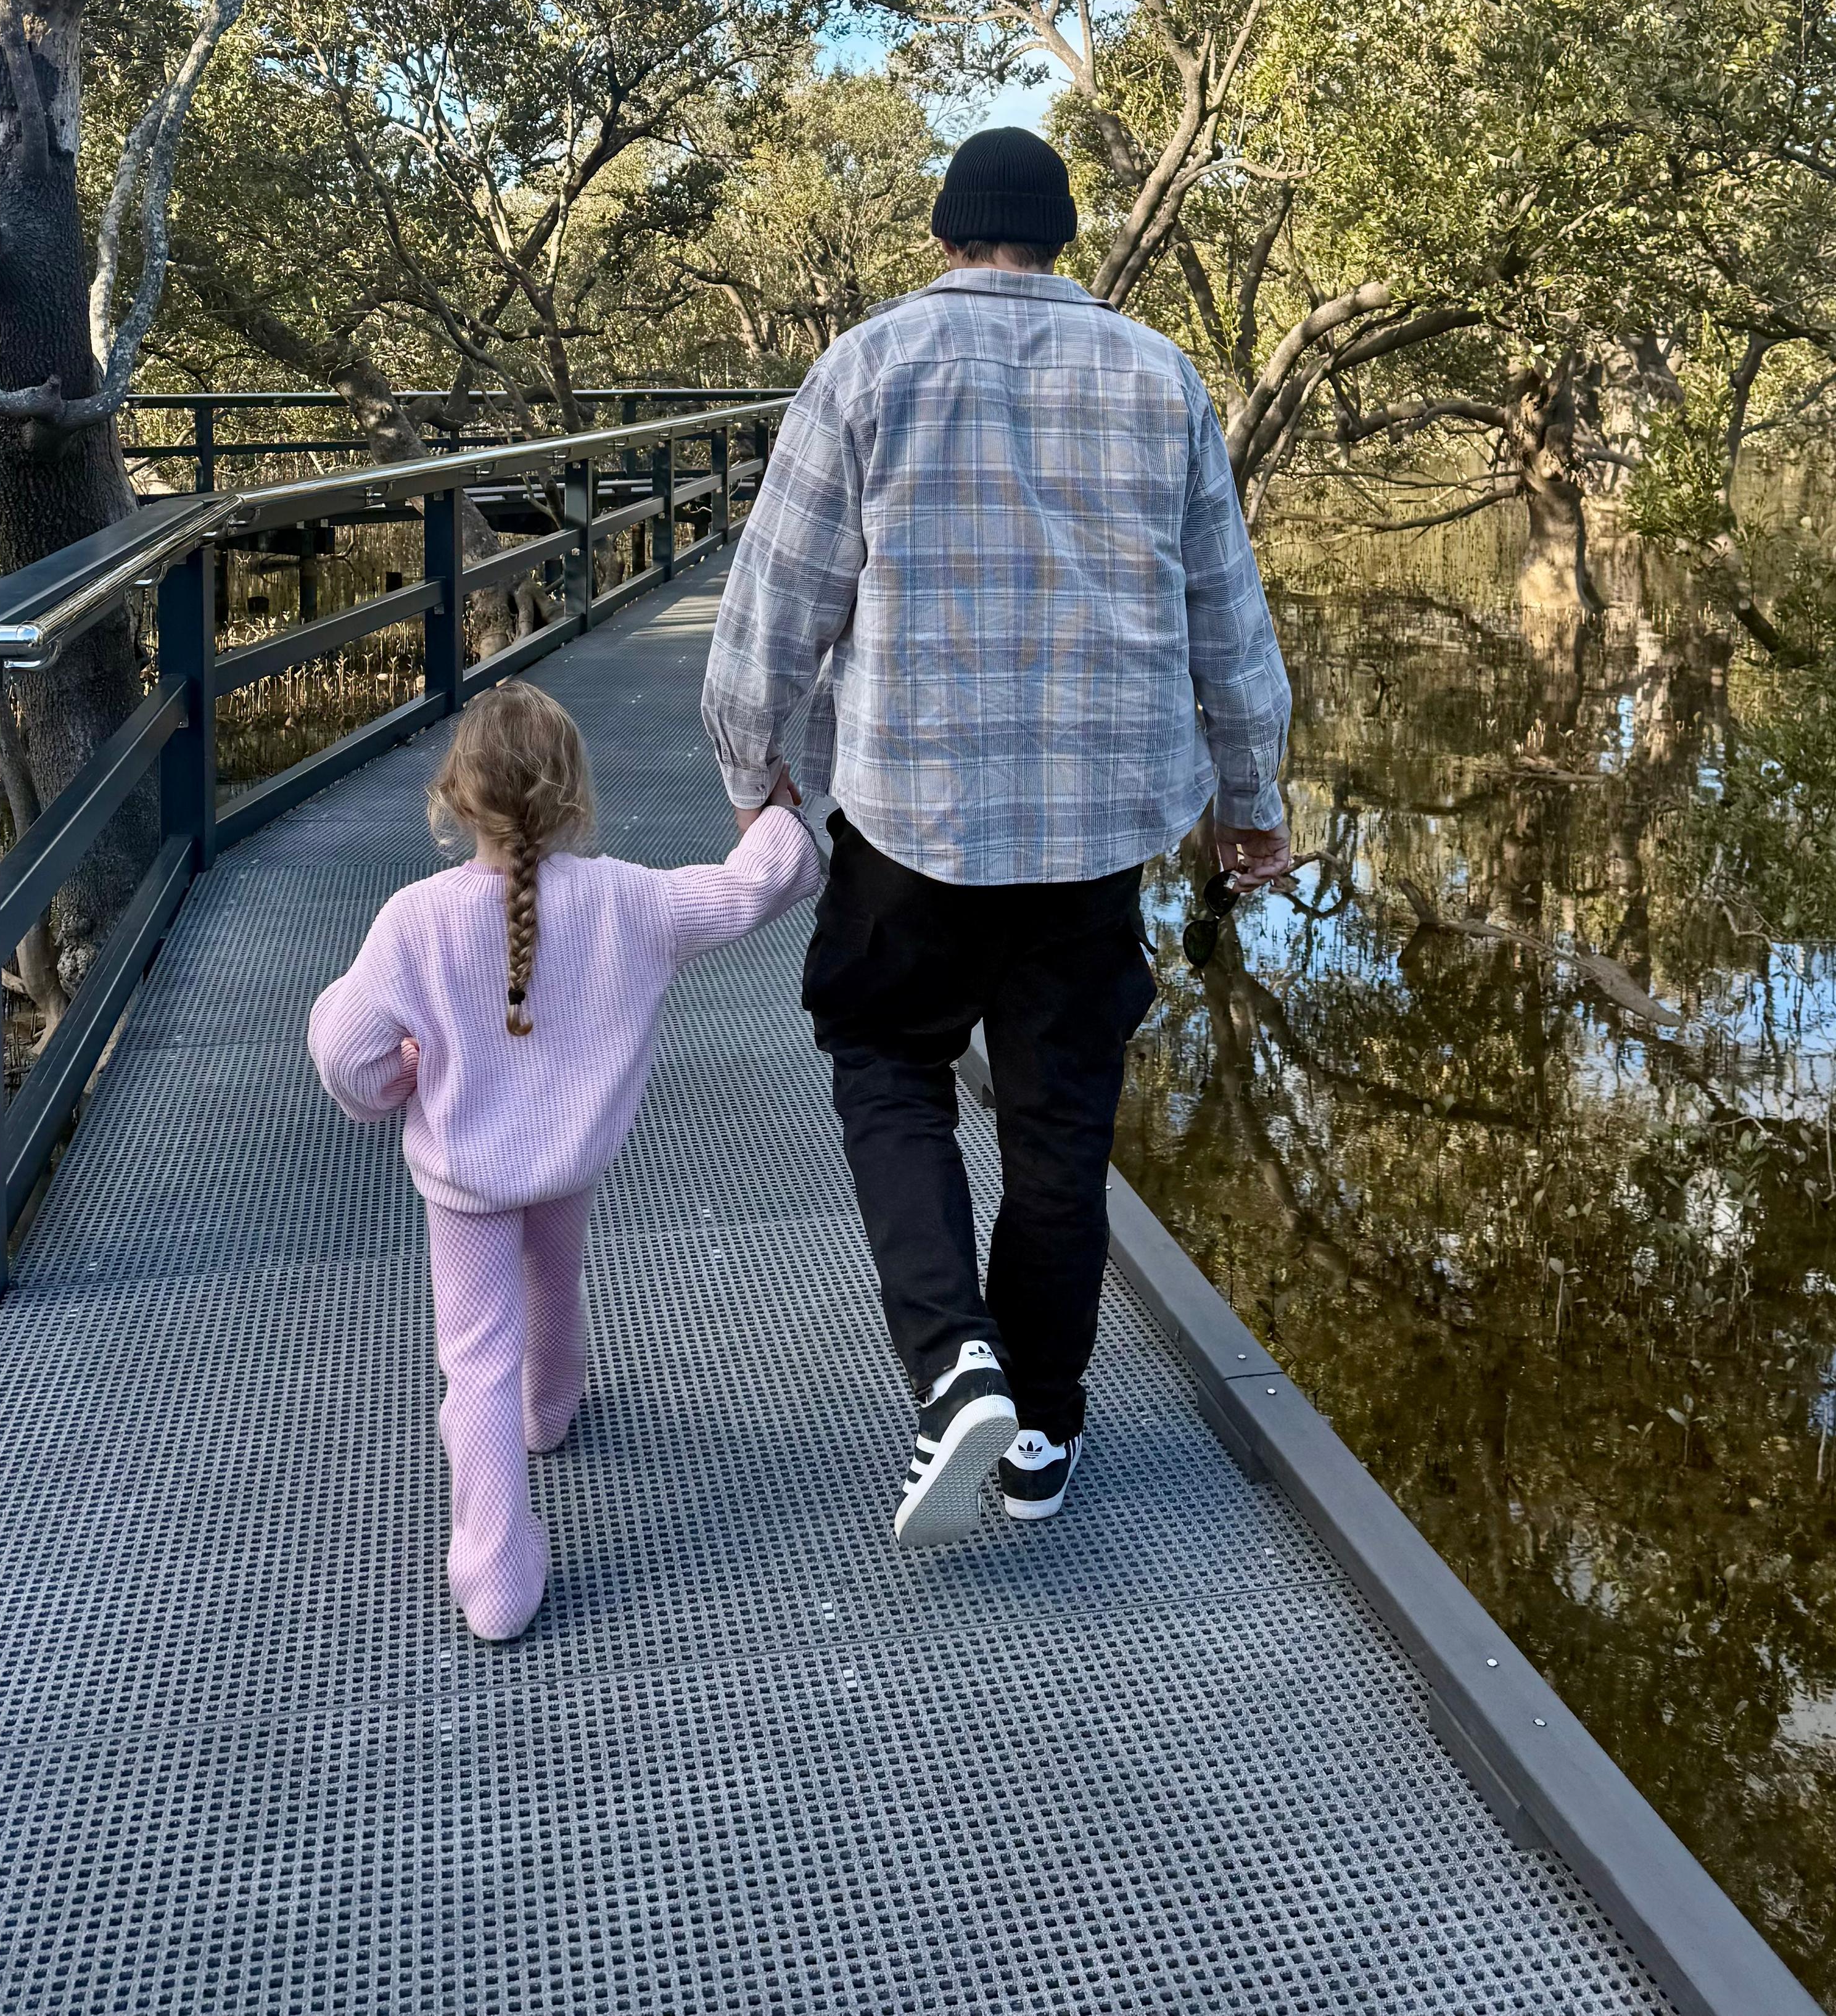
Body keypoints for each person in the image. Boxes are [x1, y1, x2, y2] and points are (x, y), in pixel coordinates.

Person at [701, 125, 1291, 1547]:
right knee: (1060, 1124)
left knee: (885, 1057)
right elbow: (1231, 616)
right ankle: (1044, 1426)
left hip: (912, 814)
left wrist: (753, 764)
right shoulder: (1160, 377)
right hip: (1099, 832)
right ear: (1064, 239)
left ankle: (950, 1357)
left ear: (948, 235)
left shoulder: (868, 367)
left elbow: (773, 608)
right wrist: (1252, 800)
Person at [308, 681, 817, 1640]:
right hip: (567, 1161)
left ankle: (496, 1576)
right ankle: (553, 1410)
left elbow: (345, 1048)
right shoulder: (632, 902)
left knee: (475, 1359)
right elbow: (752, 888)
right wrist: (783, 816)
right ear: (576, 796)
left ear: (458, 798)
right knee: (556, 1281)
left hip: (465, 1181)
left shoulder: (414, 922)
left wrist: (392, 1086)